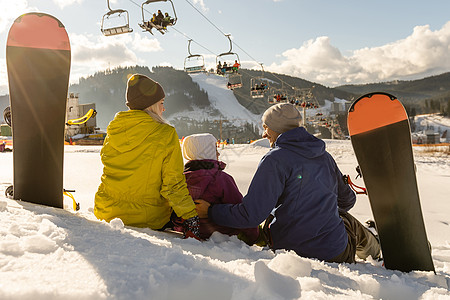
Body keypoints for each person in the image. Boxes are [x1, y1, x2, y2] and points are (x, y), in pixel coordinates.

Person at [196, 103, 381, 263]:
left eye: (266, 127)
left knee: (335, 217)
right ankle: (376, 251)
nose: (264, 132)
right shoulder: (325, 157)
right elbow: (347, 202)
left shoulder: (274, 160)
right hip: (334, 253)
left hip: (289, 251)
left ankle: (374, 248)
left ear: (277, 128)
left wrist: (211, 211)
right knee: (346, 220)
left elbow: (251, 215)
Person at [94, 74, 201, 240]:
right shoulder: (165, 134)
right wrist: (190, 216)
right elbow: (173, 184)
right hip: (147, 218)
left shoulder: (113, 130)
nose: (164, 109)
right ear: (151, 105)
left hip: (107, 212)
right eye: (161, 103)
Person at [182, 133, 259, 244]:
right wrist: (254, 235)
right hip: (223, 235)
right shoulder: (221, 179)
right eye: (214, 149)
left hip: (194, 232)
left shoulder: (181, 179)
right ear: (207, 152)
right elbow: (239, 210)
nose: (218, 153)